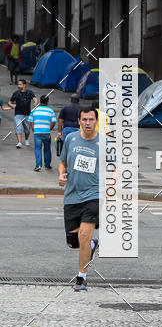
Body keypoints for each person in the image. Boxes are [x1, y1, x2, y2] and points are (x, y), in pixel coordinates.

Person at [58, 106, 100, 292]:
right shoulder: (70, 139)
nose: (88, 123)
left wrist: (114, 179)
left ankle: (81, 278)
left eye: (91, 119)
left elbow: (114, 166)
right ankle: (91, 245)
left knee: (84, 234)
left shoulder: (105, 143)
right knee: (74, 242)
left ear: (96, 121)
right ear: (79, 121)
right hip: (72, 196)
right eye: (85, 120)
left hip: (94, 195)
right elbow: (63, 163)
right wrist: (61, 175)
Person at [28, 95, 57, 171]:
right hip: (46, 133)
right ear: (47, 101)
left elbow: (31, 120)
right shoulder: (50, 110)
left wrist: (33, 128)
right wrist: (50, 128)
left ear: (40, 101)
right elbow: (54, 121)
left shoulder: (34, 110)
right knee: (47, 149)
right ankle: (47, 165)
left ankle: (38, 165)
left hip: (37, 133)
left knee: (38, 149)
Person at [8, 78, 37, 148]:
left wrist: (35, 102)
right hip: (18, 114)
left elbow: (35, 98)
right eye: (18, 84)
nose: (18, 86)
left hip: (27, 114)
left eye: (20, 84)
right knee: (18, 127)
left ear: (24, 85)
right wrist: (11, 105)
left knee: (27, 129)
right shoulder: (16, 93)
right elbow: (10, 102)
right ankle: (19, 142)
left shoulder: (29, 92)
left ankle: (26, 139)